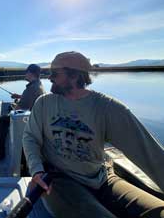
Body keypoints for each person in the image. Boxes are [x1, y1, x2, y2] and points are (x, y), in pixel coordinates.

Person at [23, 51, 164, 217]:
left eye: (55, 73)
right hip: (57, 180)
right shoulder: (44, 104)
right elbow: (30, 137)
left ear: (74, 76)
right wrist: (37, 171)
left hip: (102, 179)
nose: (49, 78)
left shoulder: (107, 108)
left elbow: (148, 152)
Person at [0, 64, 46, 164]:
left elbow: (20, 108)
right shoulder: (38, 85)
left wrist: (14, 105)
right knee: (10, 110)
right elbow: (29, 98)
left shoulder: (31, 88)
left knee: (2, 120)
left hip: (29, 121)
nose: (25, 74)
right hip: (36, 118)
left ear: (31, 73)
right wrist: (19, 96)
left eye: (26, 72)